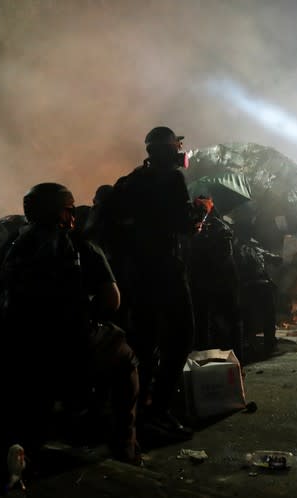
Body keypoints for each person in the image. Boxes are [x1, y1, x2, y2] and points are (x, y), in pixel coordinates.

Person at [0, 183, 140, 484]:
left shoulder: (7, 246)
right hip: (72, 347)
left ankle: (18, 450)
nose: (73, 217)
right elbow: (113, 300)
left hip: (17, 348)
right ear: (62, 213)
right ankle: (125, 444)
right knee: (126, 356)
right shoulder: (81, 244)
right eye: (69, 210)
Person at [111, 126, 210, 440]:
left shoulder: (131, 181)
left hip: (136, 274)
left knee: (143, 341)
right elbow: (183, 225)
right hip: (165, 270)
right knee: (181, 337)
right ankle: (157, 411)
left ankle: (136, 410)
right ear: (171, 150)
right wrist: (201, 212)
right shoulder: (171, 179)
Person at [189, 206, 243, 358]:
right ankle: (236, 362)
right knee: (232, 324)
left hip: (207, 286)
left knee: (205, 325)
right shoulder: (224, 230)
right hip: (226, 285)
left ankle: (205, 360)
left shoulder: (202, 233)